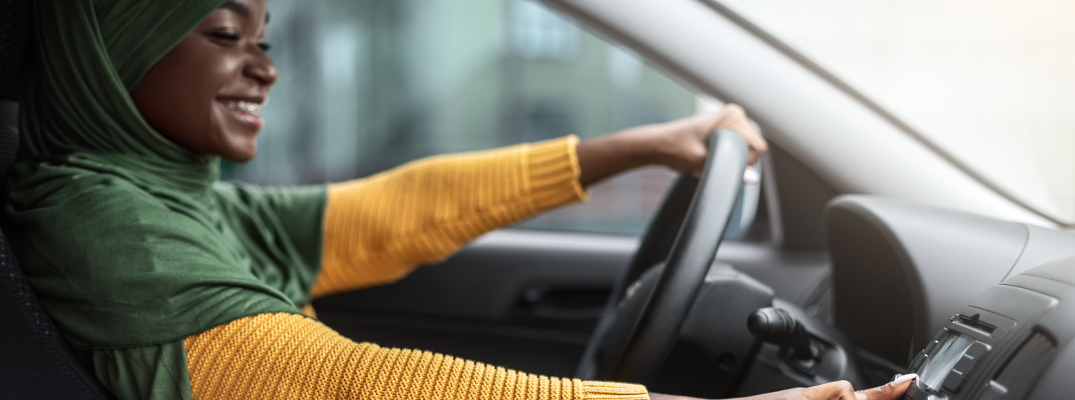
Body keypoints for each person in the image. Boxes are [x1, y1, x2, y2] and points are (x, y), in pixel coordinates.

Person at [4, 0, 913, 399]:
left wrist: (634, 145)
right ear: (118, 48)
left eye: (267, 36)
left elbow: (386, 212)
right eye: (223, 33)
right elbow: (330, 383)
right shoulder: (97, 219)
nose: (266, 66)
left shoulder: (175, 198)